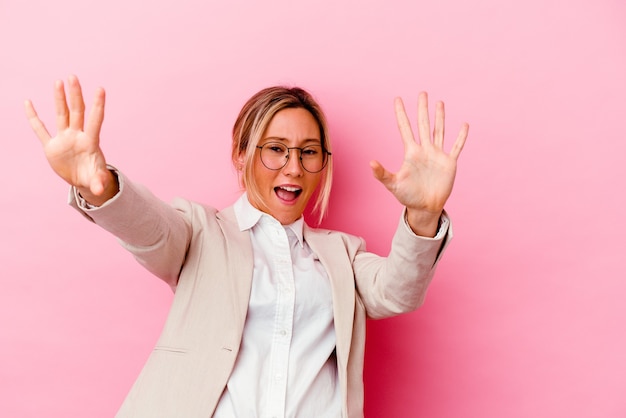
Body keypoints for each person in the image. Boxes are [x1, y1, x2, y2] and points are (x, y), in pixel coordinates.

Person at [24, 75, 468, 418]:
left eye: (309, 152)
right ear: (242, 155)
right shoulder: (201, 233)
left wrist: (424, 214)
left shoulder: (342, 255)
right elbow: (150, 230)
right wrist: (102, 190)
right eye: (275, 149)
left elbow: (398, 291)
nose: (293, 167)